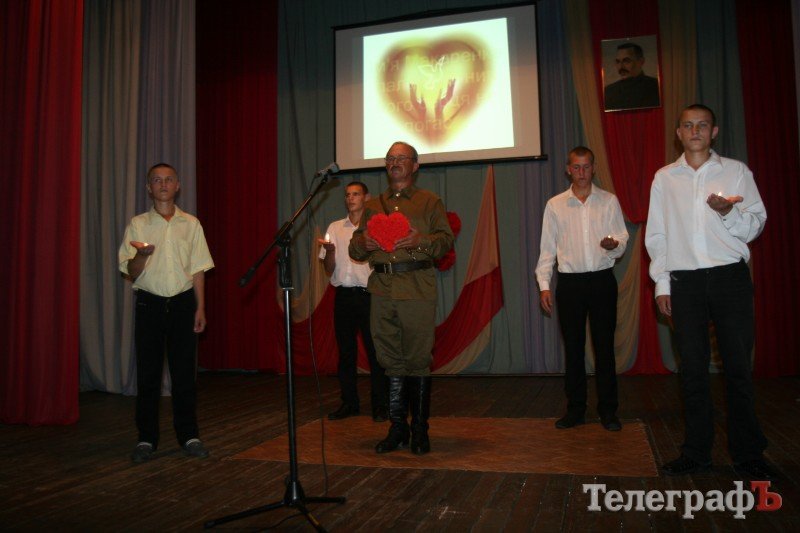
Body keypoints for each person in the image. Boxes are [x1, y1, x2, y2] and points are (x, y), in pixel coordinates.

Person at [645, 104, 772, 479]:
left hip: (729, 279)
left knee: (737, 369)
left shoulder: (736, 172)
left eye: (702, 125)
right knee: (693, 372)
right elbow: (657, 234)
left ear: (714, 131)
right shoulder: (664, 178)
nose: (695, 130)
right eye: (688, 125)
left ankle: (749, 455)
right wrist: (662, 283)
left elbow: (756, 225)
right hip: (684, 282)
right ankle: (696, 453)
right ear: (678, 133)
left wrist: (727, 212)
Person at [349, 141, 454, 455]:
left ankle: (420, 430)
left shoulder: (428, 201)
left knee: (418, 360)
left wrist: (421, 240)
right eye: (390, 158)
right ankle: (398, 428)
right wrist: (364, 243)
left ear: (415, 165)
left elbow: (445, 241)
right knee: (389, 360)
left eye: (401, 159)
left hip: (416, 288)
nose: (394, 163)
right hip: (381, 289)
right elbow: (354, 248)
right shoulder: (372, 205)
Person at [119, 163, 215, 464]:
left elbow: (198, 269)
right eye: (156, 180)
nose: (163, 184)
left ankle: (189, 435)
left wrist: (200, 307)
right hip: (150, 305)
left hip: (184, 304)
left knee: (184, 375)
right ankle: (146, 438)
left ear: (177, 186)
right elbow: (131, 273)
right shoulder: (137, 224)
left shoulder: (192, 224)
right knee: (148, 376)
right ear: (149, 188)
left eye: (168, 179)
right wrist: (142, 255)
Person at [535, 146, 629, 431]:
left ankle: (608, 411)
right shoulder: (555, 205)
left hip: (602, 281)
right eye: (576, 167)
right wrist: (544, 285)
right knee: (573, 350)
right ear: (568, 169)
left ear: (593, 168)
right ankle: (575, 409)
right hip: (571, 284)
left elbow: (622, 238)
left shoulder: (609, 201)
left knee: (604, 349)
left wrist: (614, 246)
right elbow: (547, 249)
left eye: (586, 167)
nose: (581, 173)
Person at [318, 181, 388, 422]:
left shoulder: (376, 227)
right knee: (346, 353)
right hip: (344, 296)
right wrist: (329, 253)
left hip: (371, 296)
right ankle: (349, 403)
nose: (350, 198)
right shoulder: (335, 227)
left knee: (375, 352)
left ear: (366, 197)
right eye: (347, 195)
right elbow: (329, 270)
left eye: (356, 194)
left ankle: (381, 405)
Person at [604, 42, 660, 111]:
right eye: (618, 61)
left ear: (641, 61)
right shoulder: (609, 91)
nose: (621, 67)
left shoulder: (656, 87)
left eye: (626, 61)